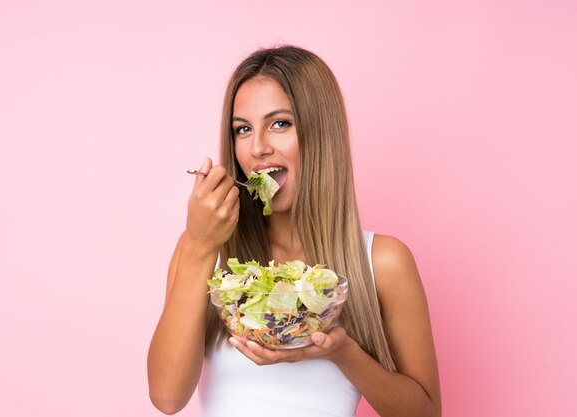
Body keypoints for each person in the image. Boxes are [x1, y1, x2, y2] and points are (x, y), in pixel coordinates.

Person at [147, 45, 441, 417]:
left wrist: (343, 352)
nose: (257, 147)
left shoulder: (382, 262)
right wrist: (200, 246)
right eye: (243, 129)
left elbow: (425, 412)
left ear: (320, 135)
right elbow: (167, 398)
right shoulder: (204, 251)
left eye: (280, 123)